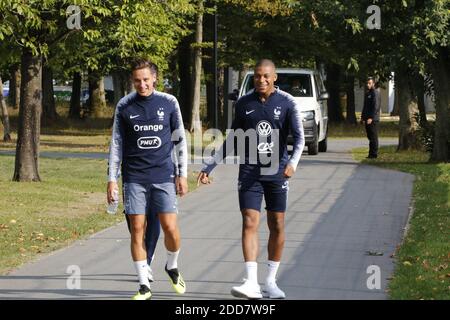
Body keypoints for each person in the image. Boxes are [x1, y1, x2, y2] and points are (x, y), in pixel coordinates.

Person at [197, 59, 305, 299]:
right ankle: (251, 283)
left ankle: (270, 282)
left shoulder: (287, 103)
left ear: (274, 77)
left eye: (266, 76)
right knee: (249, 221)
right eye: (257, 76)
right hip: (249, 172)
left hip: (277, 172)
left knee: (276, 224)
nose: (261, 80)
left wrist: (293, 164)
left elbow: (299, 139)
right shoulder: (244, 103)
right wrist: (210, 165)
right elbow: (233, 138)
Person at [107, 58, 188, 300]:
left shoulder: (169, 102)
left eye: (145, 80)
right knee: (137, 231)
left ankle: (171, 266)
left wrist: (182, 175)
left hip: (164, 176)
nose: (141, 85)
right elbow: (116, 144)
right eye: (137, 81)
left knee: (170, 228)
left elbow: (180, 140)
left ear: (154, 78)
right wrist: (112, 179)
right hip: (134, 178)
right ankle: (144, 286)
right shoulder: (124, 106)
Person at [361, 77, 381, 158]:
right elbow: (365, 106)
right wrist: (363, 117)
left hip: (373, 119)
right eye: (367, 83)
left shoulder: (375, 93)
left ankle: (374, 154)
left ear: (373, 83)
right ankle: (370, 153)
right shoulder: (368, 93)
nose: (368, 85)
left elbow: (376, 107)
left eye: (369, 83)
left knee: (373, 137)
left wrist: (371, 118)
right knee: (369, 136)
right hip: (367, 118)